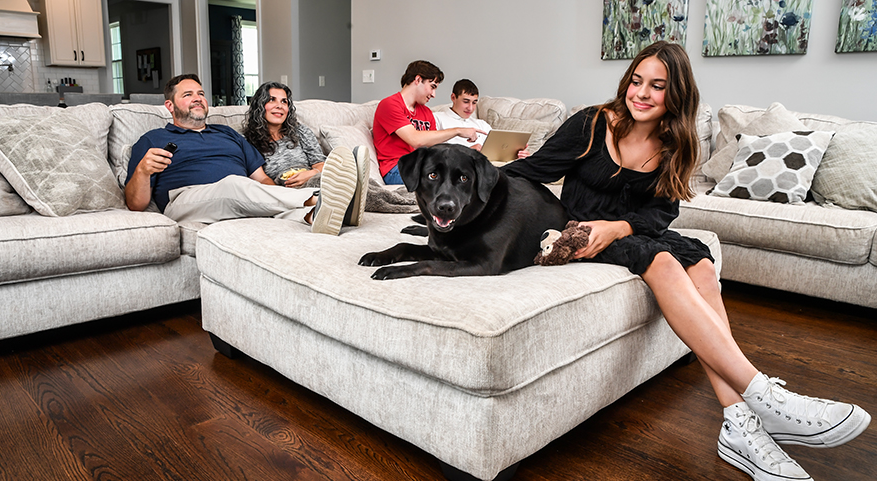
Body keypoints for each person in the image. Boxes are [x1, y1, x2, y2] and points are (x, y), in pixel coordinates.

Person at [503, 41, 870, 481]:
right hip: (587, 230)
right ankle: (763, 396)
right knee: (660, 261)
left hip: (630, 228)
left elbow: (660, 214)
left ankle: (739, 422)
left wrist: (621, 226)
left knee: (703, 268)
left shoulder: (676, 141)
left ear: (674, 94)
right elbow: (532, 170)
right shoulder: (591, 123)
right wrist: (486, 189)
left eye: (657, 86)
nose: (641, 93)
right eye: (636, 81)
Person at [125, 73, 366, 236]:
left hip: (236, 196)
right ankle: (322, 197)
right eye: (188, 95)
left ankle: (320, 216)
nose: (198, 98)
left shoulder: (227, 134)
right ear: (170, 106)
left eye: (200, 93)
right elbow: (136, 205)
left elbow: (262, 180)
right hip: (185, 200)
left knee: (271, 205)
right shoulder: (152, 140)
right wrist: (143, 171)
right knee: (233, 184)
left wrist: (278, 194)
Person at [372, 60, 486, 184]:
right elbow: (415, 140)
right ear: (418, 80)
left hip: (426, 167)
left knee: (476, 175)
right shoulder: (390, 104)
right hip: (399, 169)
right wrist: (458, 131)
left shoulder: (426, 112)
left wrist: (467, 151)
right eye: (432, 87)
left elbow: (435, 149)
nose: (433, 94)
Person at [434, 78, 529, 158]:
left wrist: (516, 154)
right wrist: (467, 152)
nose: (470, 108)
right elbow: (435, 154)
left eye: (474, 102)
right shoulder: (437, 118)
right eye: (466, 101)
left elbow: (499, 151)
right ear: (453, 97)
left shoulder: (482, 125)